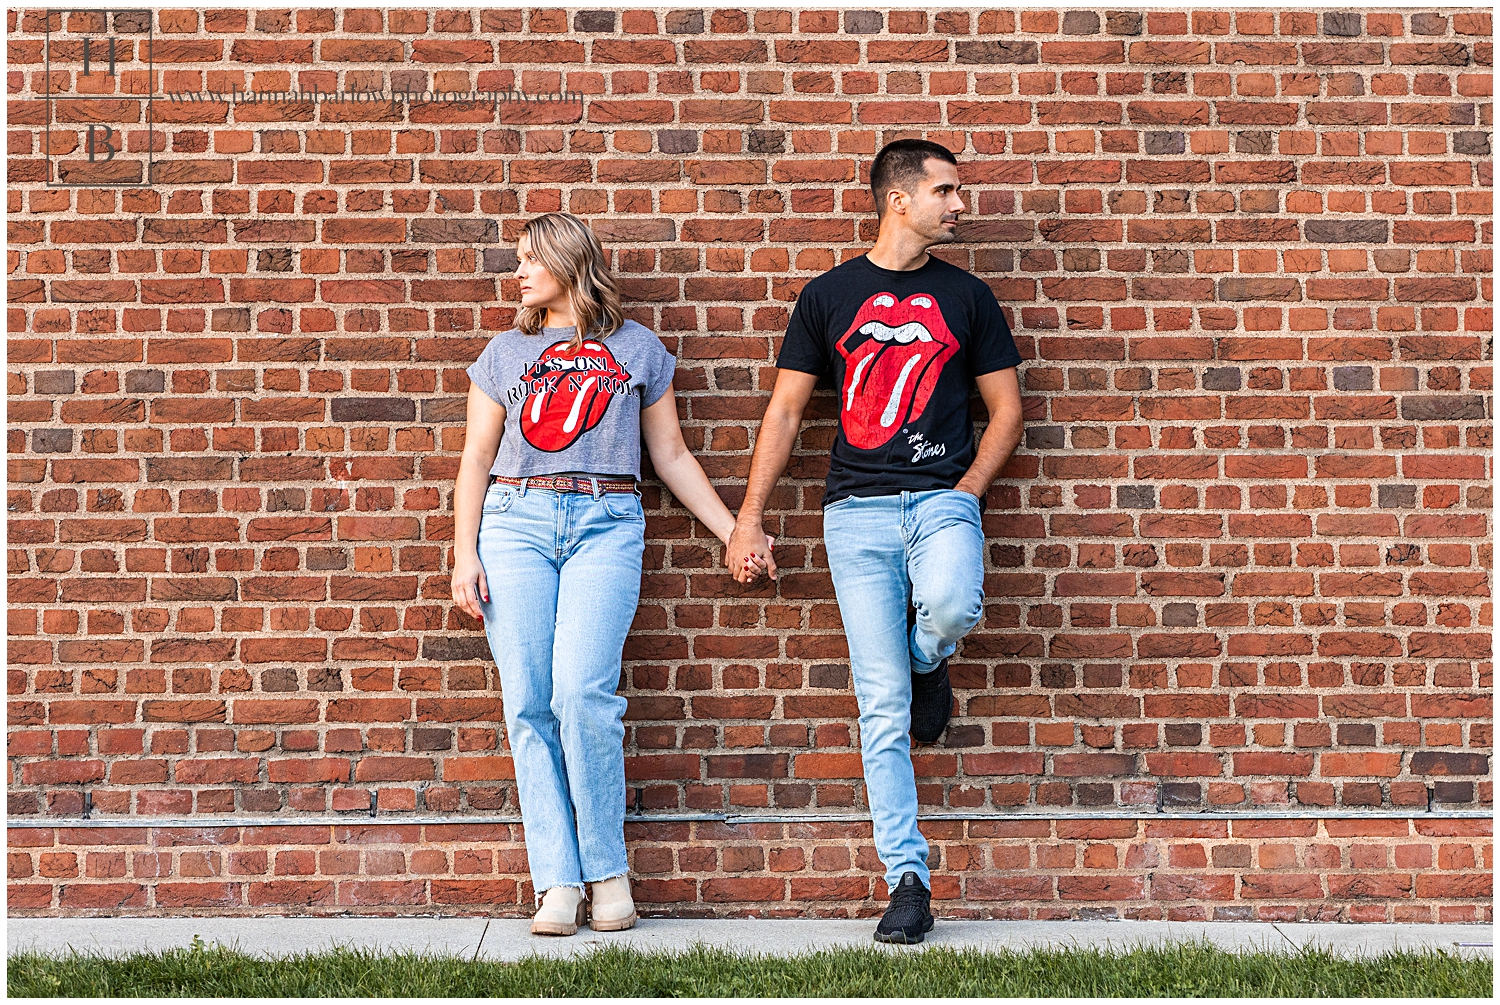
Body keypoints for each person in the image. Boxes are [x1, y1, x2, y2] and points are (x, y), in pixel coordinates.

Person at [726, 139, 1025, 943]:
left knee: (954, 604)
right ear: (899, 198)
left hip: (941, 501)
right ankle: (908, 879)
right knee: (882, 706)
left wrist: (964, 493)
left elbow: (1008, 412)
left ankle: (931, 655)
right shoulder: (829, 296)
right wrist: (750, 515)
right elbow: (785, 414)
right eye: (947, 191)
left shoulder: (968, 297)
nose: (959, 205)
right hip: (854, 515)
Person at [451, 212, 773, 936]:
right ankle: (558, 881)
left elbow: (673, 457)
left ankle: (608, 870)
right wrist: (462, 550)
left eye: (530, 259)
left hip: (606, 522)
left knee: (583, 693)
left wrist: (733, 533)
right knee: (528, 699)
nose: (519, 273)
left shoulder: (638, 349)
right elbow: (476, 457)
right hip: (515, 523)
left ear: (569, 263)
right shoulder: (505, 353)